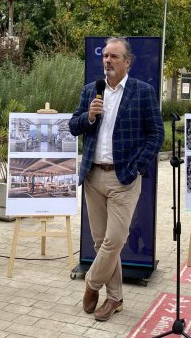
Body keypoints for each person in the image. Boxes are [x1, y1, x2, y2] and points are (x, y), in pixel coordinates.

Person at [69, 37, 164, 322]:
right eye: (105, 56)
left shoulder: (143, 92)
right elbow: (74, 127)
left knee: (114, 241)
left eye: (114, 56)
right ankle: (115, 299)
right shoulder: (91, 92)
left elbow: (156, 135)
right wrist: (89, 116)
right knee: (100, 243)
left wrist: (136, 167)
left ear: (127, 62)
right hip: (93, 175)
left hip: (124, 178)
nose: (107, 61)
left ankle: (92, 284)